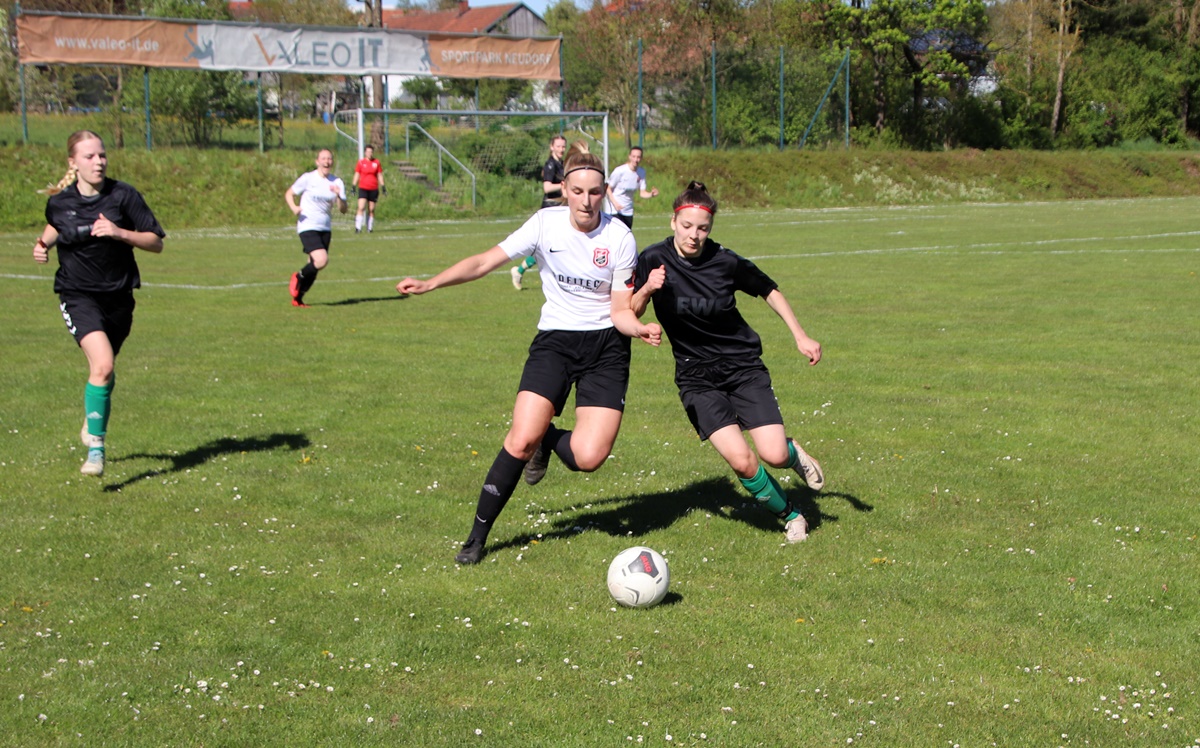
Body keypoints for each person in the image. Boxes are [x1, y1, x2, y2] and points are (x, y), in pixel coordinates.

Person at [396, 141, 661, 565]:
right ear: (564, 190)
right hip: (555, 341)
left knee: (590, 458)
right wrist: (431, 283)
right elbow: (485, 262)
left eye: (595, 192)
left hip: (607, 347)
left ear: (604, 191)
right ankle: (477, 539)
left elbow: (618, 312)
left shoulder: (619, 237)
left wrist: (640, 327)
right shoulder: (543, 224)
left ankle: (548, 438)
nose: (587, 200)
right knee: (519, 440)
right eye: (578, 191)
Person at [632, 181, 825, 543]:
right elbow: (629, 310)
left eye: (702, 228)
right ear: (673, 222)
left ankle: (791, 452)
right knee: (742, 461)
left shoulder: (725, 261)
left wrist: (800, 335)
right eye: (687, 226)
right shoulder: (651, 260)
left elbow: (769, 289)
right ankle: (791, 515)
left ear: (711, 228)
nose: (694, 235)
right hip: (696, 377)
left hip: (742, 367)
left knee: (772, 454)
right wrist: (646, 289)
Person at [32, 130, 166, 477]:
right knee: (103, 365)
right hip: (77, 295)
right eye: (90, 156)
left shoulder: (123, 196)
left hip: (119, 298)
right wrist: (42, 245)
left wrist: (120, 232)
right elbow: (56, 224)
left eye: (102, 155)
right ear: (73, 163)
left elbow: (155, 242)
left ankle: (91, 420)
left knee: (104, 373)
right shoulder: (60, 201)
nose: (99, 161)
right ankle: (96, 449)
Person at [286, 149, 347, 307]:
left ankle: (298, 298)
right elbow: (289, 193)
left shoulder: (337, 182)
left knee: (313, 266)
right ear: (317, 161)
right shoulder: (308, 178)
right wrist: (294, 207)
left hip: (325, 228)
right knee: (321, 260)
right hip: (307, 225)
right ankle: (298, 277)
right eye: (323, 159)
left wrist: (340, 196)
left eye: (329, 159)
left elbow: (343, 209)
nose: (327, 161)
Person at [511, 135, 566, 291]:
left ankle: (519, 271)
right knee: (549, 246)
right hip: (550, 209)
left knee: (552, 245)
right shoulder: (550, 165)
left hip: (559, 207)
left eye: (563, 146)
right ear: (551, 147)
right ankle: (520, 270)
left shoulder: (560, 163)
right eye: (558, 146)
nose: (561, 149)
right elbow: (547, 188)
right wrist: (563, 186)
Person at [606, 146, 659, 230]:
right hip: (614, 210)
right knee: (616, 235)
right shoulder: (620, 171)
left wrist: (651, 194)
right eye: (634, 157)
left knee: (626, 235)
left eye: (638, 157)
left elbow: (642, 193)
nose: (636, 159)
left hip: (628, 210)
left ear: (641, 158)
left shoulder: (641, 172)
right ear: (629, 156)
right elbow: (608, 188)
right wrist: (615, 203)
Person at [352, 144, 385, 234]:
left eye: (371, 152)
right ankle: (358, 227)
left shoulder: (376, 162)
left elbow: (379, 175)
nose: (369, 153)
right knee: (361, 207)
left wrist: (383, 186)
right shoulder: (361, 162)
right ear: (365, 152)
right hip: (363, 188)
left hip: (373, 188)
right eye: (368, 152)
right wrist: (353, 186)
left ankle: (369, 228)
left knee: (371, 209)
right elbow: (357, 174)